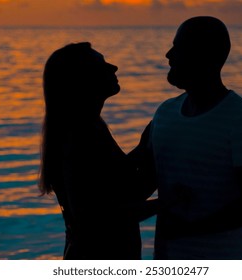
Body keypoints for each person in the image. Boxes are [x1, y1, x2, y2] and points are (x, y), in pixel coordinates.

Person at [134, 16, 242, 259]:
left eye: (178, 48)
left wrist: (189, 229)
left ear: (204, 56)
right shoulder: (164, 114)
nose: (168, 55)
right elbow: (141, 187)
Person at [38, 42, 155, 260]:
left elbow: (120, 189)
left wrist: (145, 150)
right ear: (81, 80)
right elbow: (97, 218)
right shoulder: (80, 136)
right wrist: (167, 203)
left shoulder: (90, 127)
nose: (114, 68)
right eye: (101, 65)